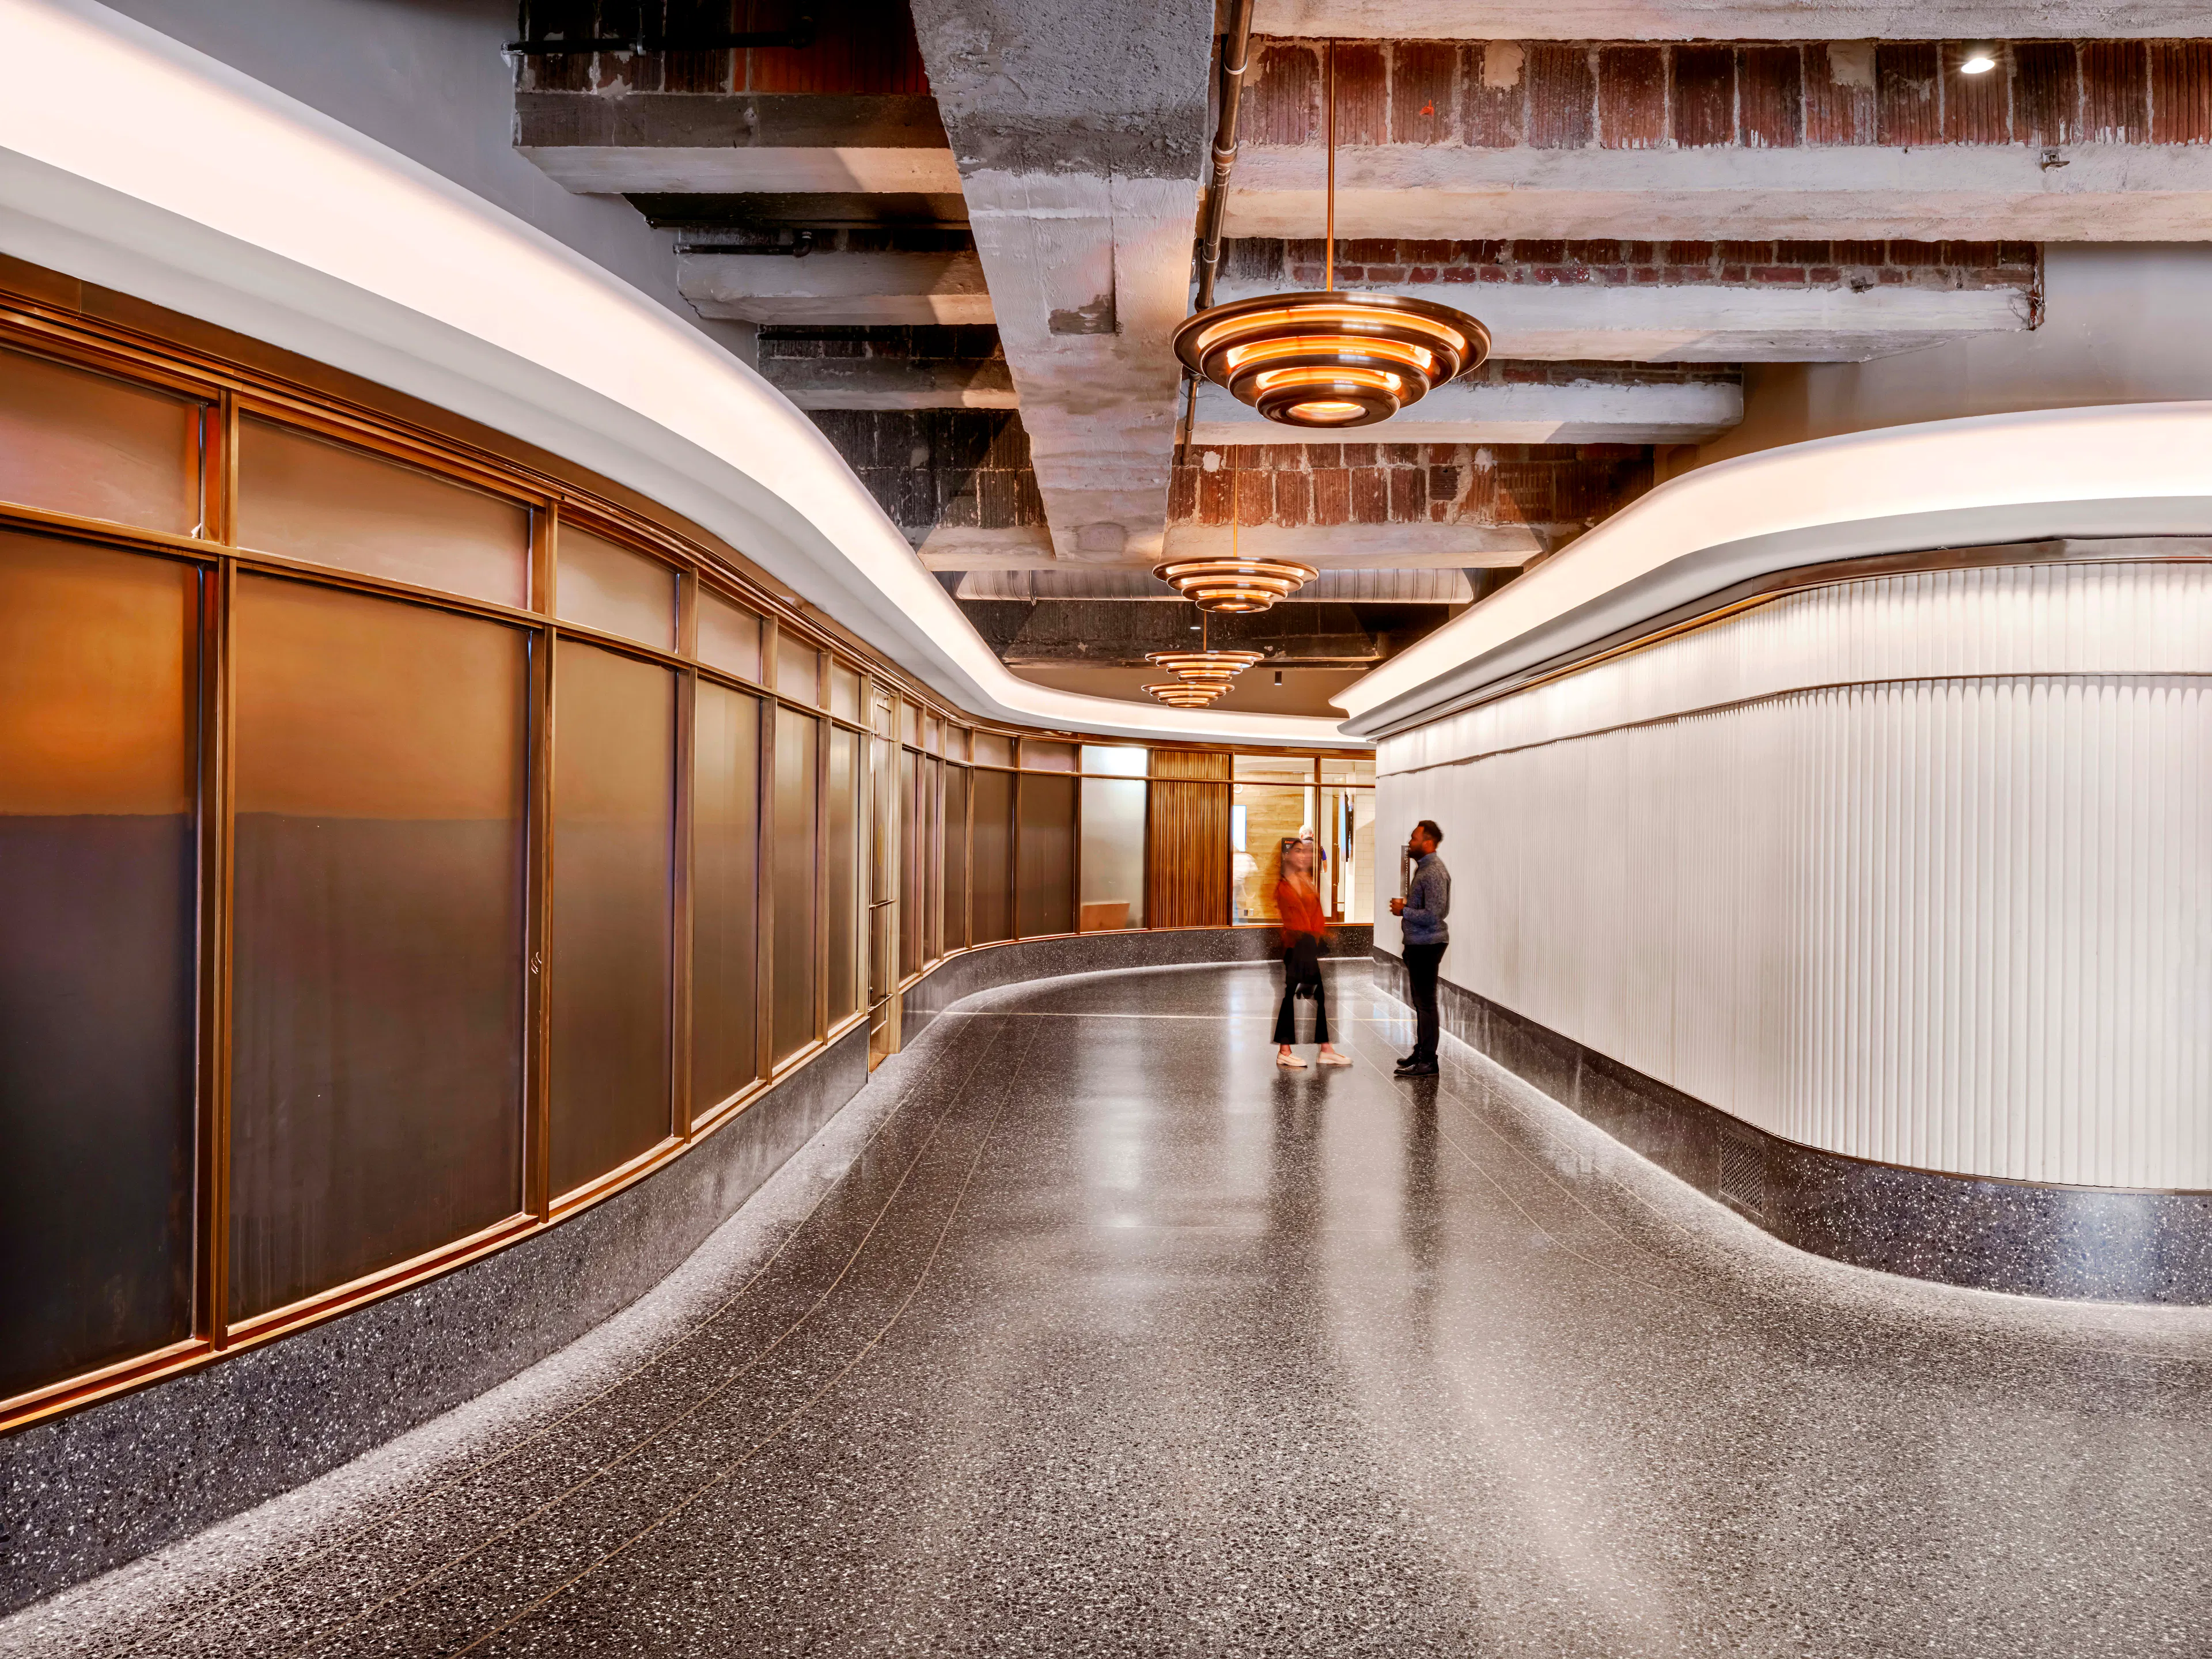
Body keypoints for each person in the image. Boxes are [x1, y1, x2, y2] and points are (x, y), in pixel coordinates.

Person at [1273, 839, 1349, 1070]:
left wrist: (1322, 933)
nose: (1303, 856)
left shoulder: (1304, 880)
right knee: (1291, 997)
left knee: (1316, 996)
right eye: (1298, 852)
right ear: (1286, 856)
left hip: (1306, 945)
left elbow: (1313, 913)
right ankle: (1287, 1050)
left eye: (1304, 852)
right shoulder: (1285, 885)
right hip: (1297, 946)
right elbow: (1294, 919)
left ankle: (1323, 1049)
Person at [1388, 819, 1449, 1077]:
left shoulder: (1433, 871)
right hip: (1419, 944)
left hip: (1428, 944)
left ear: (1428, 843)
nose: (1410, 843)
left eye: (1414, 839)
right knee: (1421, 1003)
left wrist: (1405, 911)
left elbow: (1435, 914)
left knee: (1426, 1005)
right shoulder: (1423, 868)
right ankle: (1421, 1050)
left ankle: (1429, 1061)